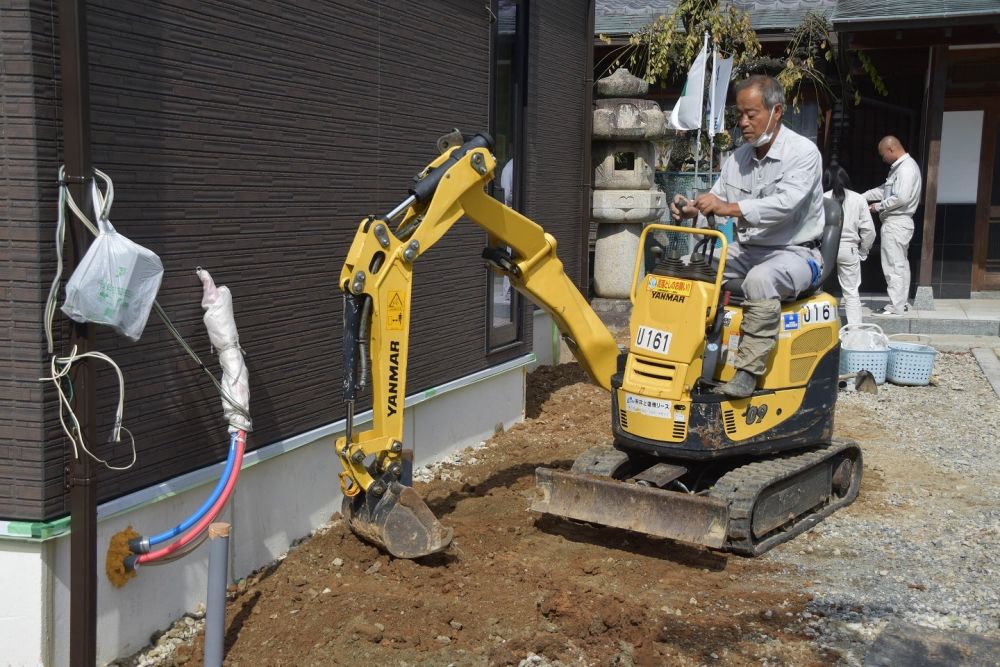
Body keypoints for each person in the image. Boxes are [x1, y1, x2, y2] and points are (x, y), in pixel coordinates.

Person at [670, 74, 825, 399]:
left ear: (776, 111)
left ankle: (747, 373)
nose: (742, 122)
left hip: (796, 253)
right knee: (686, 269)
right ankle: (680, 356)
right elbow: (714, 199)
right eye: (738, 114)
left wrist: (727, 208)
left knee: (760, 280)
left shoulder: (803, 153)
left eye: (750, 114)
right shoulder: (738, 158)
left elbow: (783, 205)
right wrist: (691, 210)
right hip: (746, 249)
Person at [861, 136, 922, 316]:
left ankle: (896, 306)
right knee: (900, 264)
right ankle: (900, 303)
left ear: (891, 150)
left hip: (897, 222)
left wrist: (878, 206)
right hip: (899, 222)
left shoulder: (906, 169)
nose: (883, 159)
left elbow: (901, 198)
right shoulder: (900, 168)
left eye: (883, 155)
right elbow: (883, 190)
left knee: (893, 265)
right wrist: (861, 197)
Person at [824, 166, 875, 326]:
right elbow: (869, 231)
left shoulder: (822, 198)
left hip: (825, 250)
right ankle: (855, 331)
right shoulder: (858, 199)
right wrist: (863, 250)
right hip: (849, 249)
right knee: (851, 292)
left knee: (819, 290)